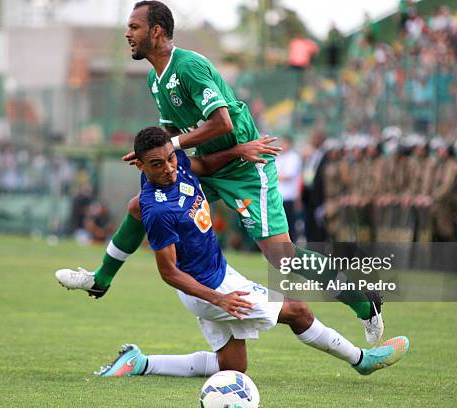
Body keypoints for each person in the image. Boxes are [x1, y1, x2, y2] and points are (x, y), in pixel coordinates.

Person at [56, 1, 384, 344]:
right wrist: (150, 151)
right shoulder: (157, 79)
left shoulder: (190, 66)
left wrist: (173, 148)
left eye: (134, 27)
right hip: (212, 163)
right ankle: (102, 278)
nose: (128, 34)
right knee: (140, 205)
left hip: (245, 166)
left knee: (281, 257)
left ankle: (364, 301)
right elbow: (172, 133)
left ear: (155, 31)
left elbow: (222, 121)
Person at [92, 127, 409, 378]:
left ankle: (140, 363)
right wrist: (219, 299)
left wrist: (239, 151)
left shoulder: (180, 165)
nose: (169, 169)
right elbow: (168, 272)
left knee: (233, 366)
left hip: (218, 275)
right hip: (211, 289)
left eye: (170, 159)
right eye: (157, 165)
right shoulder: (157, 210)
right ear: (141, 165)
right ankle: (362, 360)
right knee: (298, 311)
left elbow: (207, 164)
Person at [274, 137, 302, 242]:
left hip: (289, 196)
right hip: (278, 196)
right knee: (279, 224)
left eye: (285, 143)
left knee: (289, 223)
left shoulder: (294, 157)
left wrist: (274, 176)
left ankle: (292, 247)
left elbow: (288, 176)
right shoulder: (279, 157)